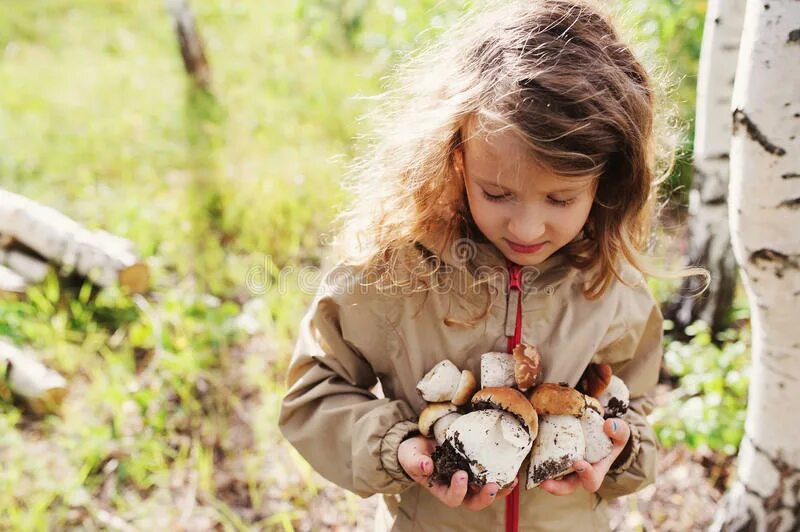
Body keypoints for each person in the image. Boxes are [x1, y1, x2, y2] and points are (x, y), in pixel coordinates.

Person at [279, 1, 701, 530]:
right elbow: (314, 392)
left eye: (560, 200)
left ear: (606, 180)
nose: (526, 229)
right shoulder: (397, 269)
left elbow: (632, 403)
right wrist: (398, 446)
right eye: (497, 192)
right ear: (456, 154)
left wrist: (618, 452)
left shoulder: (610, 282)